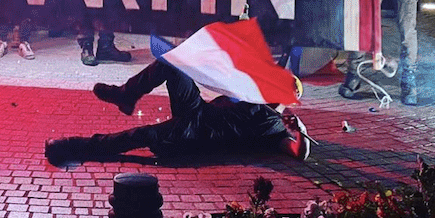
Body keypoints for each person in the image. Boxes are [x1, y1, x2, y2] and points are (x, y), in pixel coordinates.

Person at [44, 59, 311, 166]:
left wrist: (298, 130)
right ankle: (127, 95)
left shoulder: (273, 125)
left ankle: (70, 147)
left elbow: (298, 151)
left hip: (196, 134)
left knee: (139, 135)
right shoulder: (253, 99)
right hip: (198, 113)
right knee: (172, 64)